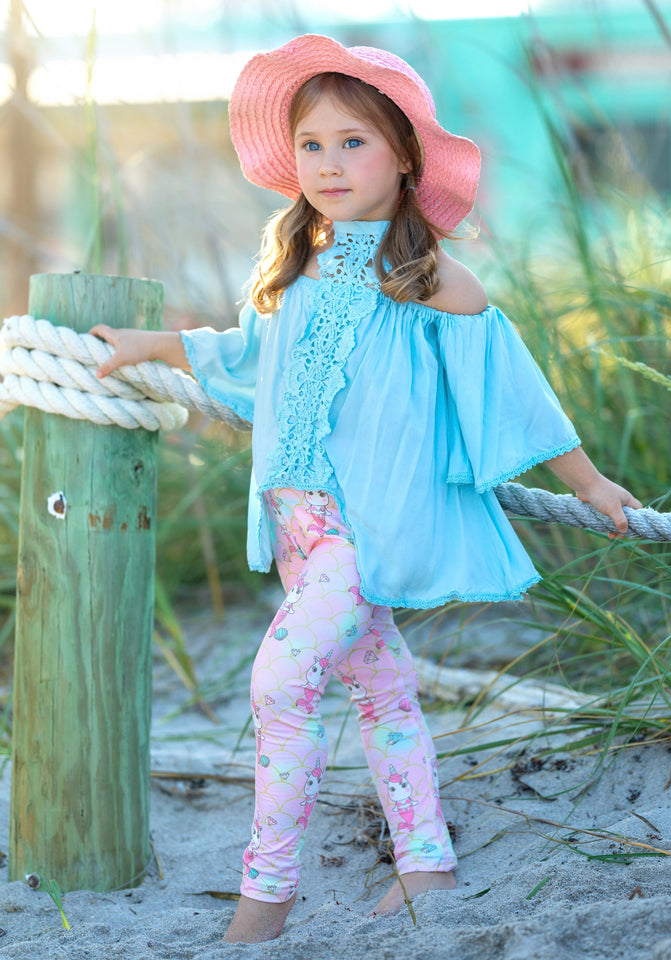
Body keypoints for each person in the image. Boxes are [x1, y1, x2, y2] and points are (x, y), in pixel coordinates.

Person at [90, 34, 641, 944]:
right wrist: (148, 346)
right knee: (383, 692)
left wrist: (589, 483)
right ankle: (426, 865)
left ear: (405, 156)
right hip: (295, 526)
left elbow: (511, 389)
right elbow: (249, 356)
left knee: (279, 683)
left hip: (365, 527)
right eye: (312, 144)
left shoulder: (433, 280)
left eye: (354, 142)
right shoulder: (298, 267)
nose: (330, 163)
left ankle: (266, 896)